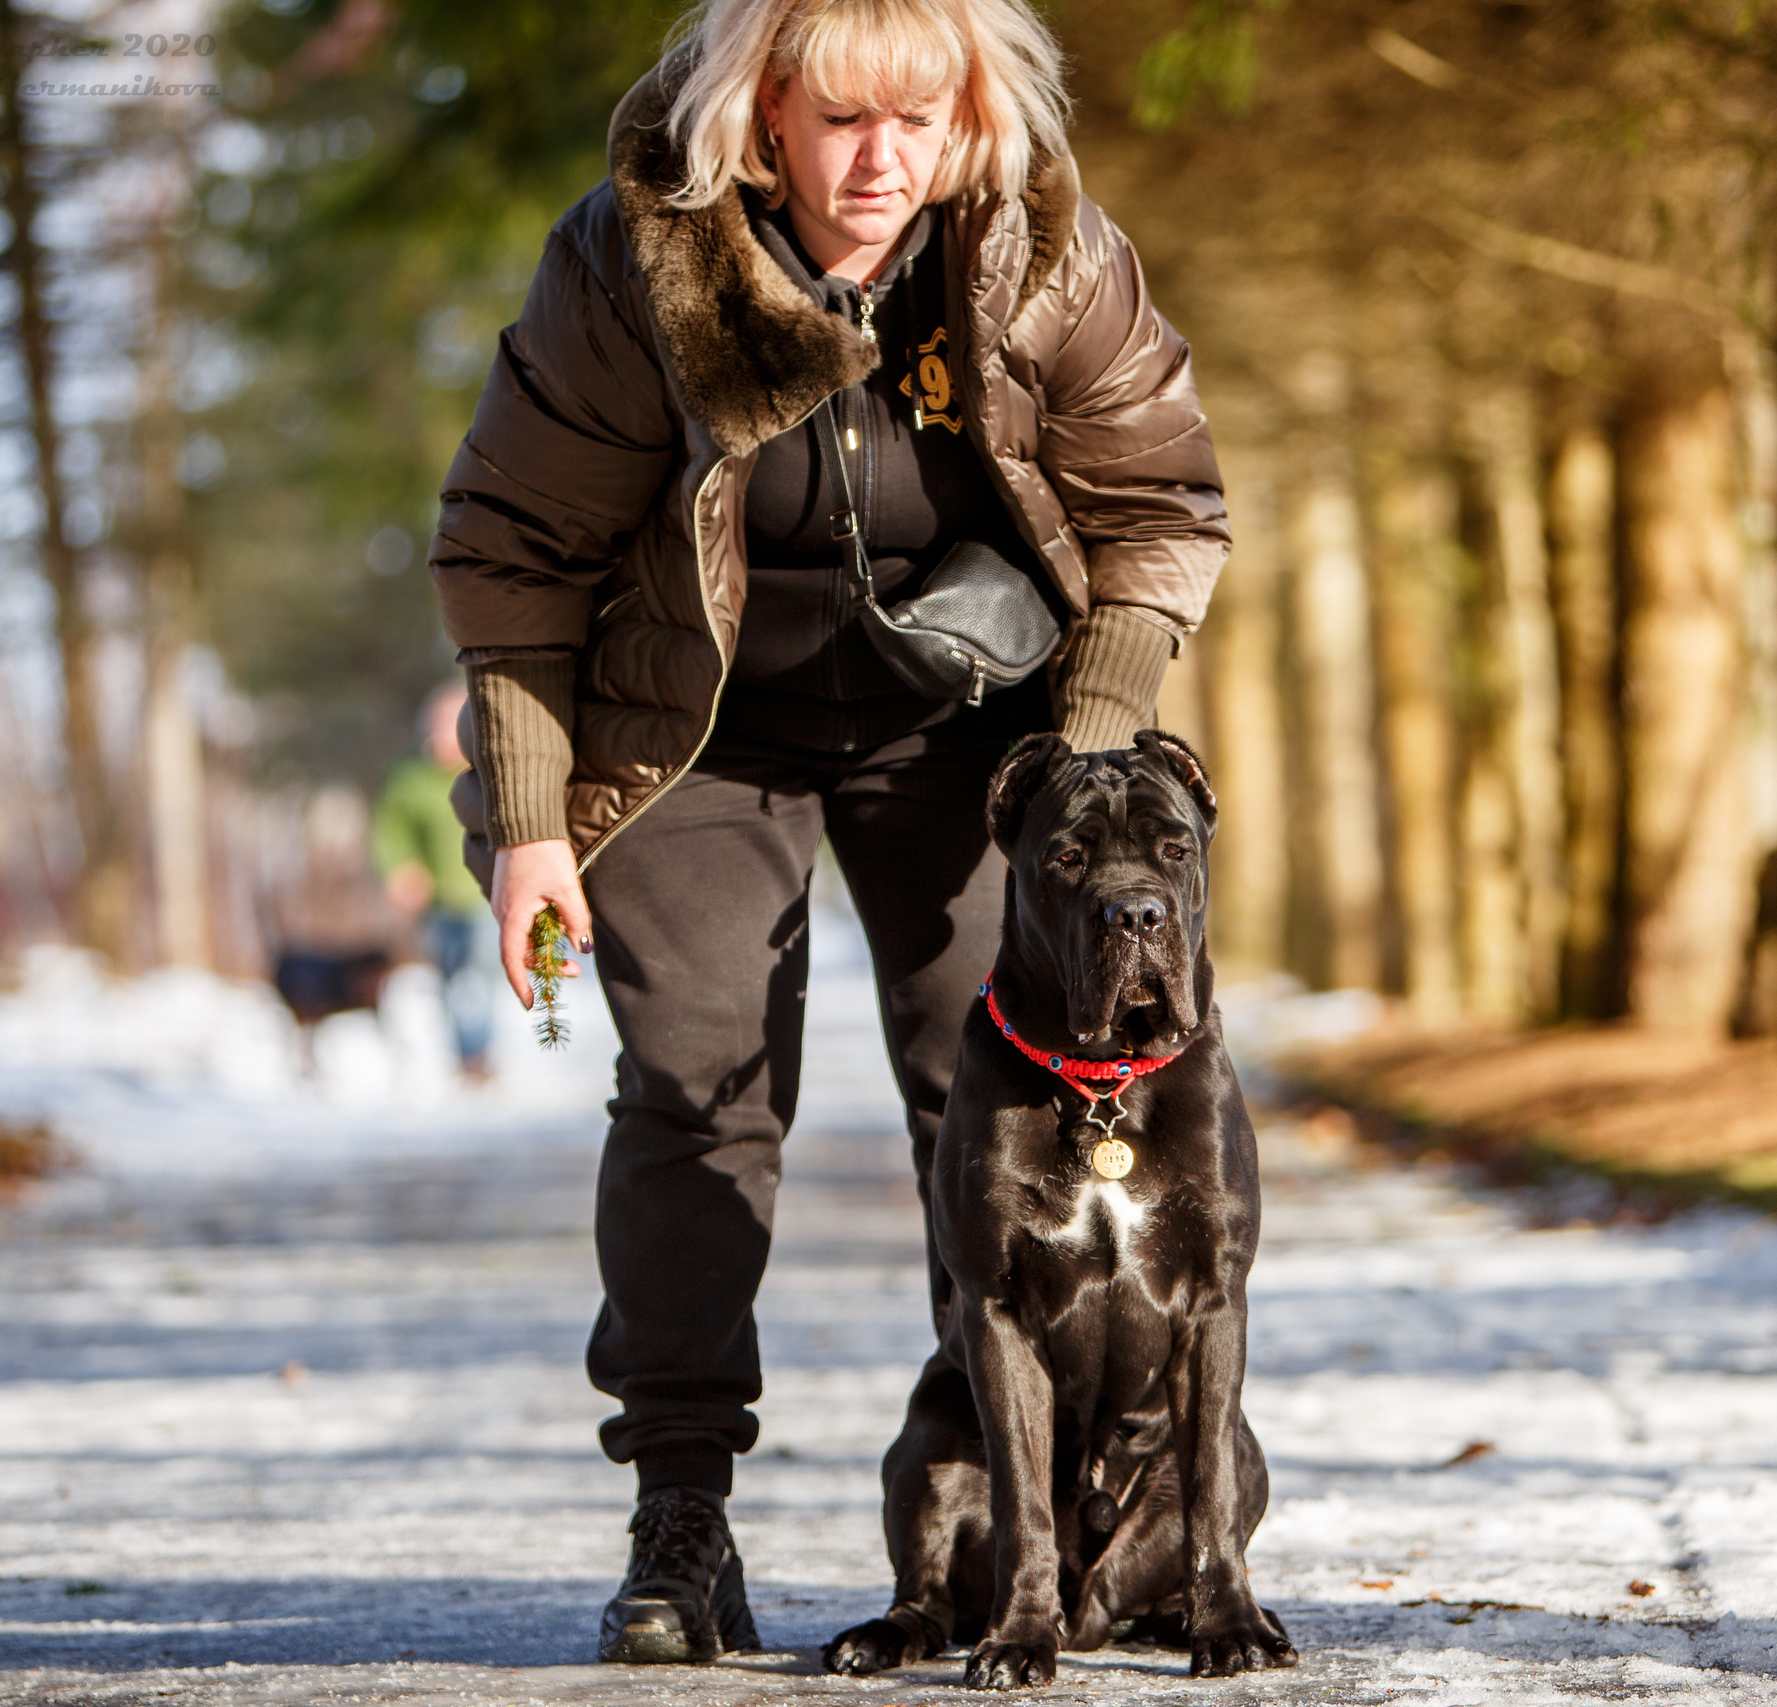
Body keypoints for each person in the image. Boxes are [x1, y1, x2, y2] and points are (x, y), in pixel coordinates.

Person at [426, 0, 1227, 1664]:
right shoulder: (635, 267)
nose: (882, 164)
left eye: (918, 124)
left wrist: (1083, 755)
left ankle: (1048, 1523)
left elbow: (1160, 510)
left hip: (975, 736)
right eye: (843, 121)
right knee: (698, 1088)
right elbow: (513, 547)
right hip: (691, 733)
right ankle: (681, 1518)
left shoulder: (1042, 254)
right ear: (761, 114)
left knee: (1004, 1078)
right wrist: (526, 824)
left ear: (971, 122)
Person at [371, 684, 497, 1081]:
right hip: (438, 901)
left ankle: (478, 1055)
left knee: (477, 979)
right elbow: (390, 832)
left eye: (450, 725)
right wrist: (402, 869)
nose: (439, 735)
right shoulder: (412, 781)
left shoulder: (490, 776)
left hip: (484, 897)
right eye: (435, 725)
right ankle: (462, 1053)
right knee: (448, 981)